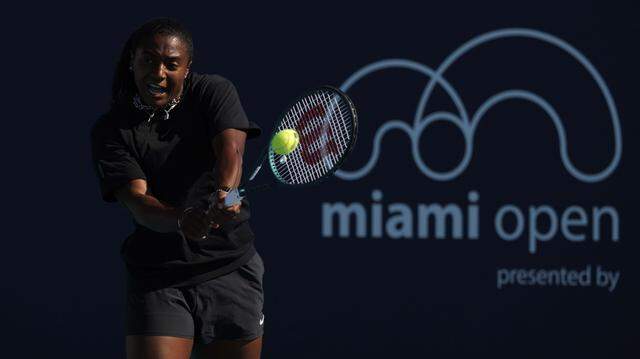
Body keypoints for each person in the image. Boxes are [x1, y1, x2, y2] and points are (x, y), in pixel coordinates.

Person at [90, 18, 264, 359]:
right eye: (148, 60)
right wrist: (181, 219)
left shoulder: (213, 91)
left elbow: (231, 150)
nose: (158, 73)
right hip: (159, 277)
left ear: (186, 69)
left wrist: (225, 192)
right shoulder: (111, 130)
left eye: (171, 64)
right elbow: (139, 202)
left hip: (230, 267)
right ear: (132, 62)